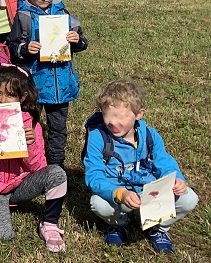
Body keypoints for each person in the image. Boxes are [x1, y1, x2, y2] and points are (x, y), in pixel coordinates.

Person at [84, 79, 198, 253]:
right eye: (108, 115)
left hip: (151, 193)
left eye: (122, 117)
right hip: (119, 194)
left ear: (139, 114)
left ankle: (158, 227)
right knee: (98, 203)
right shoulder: (98, 136)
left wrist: (177, 179)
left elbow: (164, 162)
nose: (114, 122)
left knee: (189, 199)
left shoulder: (150, 136)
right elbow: (94, 175)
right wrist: (118, 193)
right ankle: (119, 224)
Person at [0, 66, 68, 252]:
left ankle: (49, 224)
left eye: (10, 95)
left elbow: (38, 168)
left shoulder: (29, 124)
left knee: (57, 173)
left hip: (21, 184)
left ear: (21, 98)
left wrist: (29, 144)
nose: (3, 100)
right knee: (1, 236)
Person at [7, 0, 88, 169]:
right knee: (29, 126)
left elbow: (82, 43)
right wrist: (26, 48)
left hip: (61, 84)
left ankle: (56, 166)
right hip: (34, 85)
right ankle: (30, 165)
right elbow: (12, 47)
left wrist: (76, 40)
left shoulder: (64, 14)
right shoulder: (23, 17)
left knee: (58, 129)